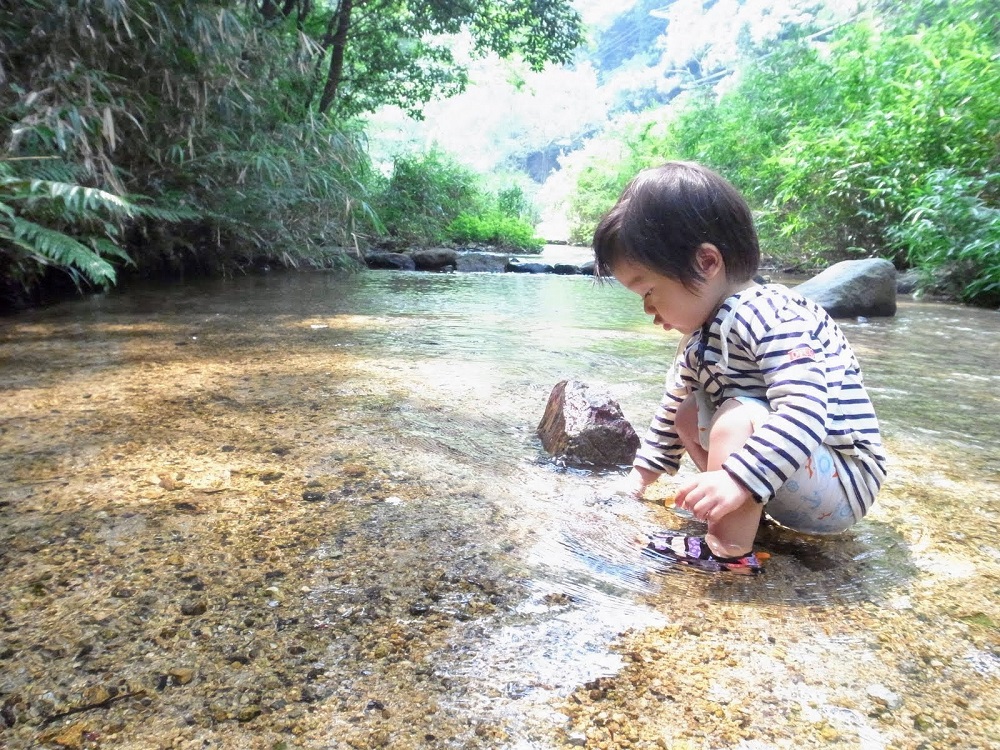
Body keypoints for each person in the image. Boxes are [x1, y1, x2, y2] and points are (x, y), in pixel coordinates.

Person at [593, 161, 887, 574]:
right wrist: (637, 482)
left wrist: (737, 479)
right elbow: (668, 414)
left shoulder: (771, 313)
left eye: (648, 290)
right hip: (794, 474)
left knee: (736, 417)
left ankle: (728, 551)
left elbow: (806, 409)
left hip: (843, 482)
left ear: (706, 262)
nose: (647, 308)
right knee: (686, 411)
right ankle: (743, 516)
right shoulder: (700, 339)